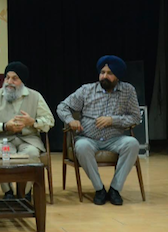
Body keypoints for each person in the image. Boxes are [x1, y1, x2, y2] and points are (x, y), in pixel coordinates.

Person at [57, 55, 140, 206]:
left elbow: (136, 117)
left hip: (114, 139)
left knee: (132, 143)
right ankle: (99, 189)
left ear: (118, 76)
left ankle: (115, 189)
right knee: (81, 146)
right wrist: (71, 120)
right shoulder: (86, 90)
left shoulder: (128, 91)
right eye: (102, 72)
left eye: (109, 73)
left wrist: (113, 120)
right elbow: (62, 106)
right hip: (88, 138)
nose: (104, 76)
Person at [0, 61, 55, 200]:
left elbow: (49, 121)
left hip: (29, 139)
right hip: (3, 139)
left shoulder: (35, 96)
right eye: (7, 78)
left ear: (22, 81)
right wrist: (4, 126)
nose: (9, 82)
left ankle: (25, 193)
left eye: (15, 78)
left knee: (31, 153)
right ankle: (8, 192)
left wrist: (32, 122)